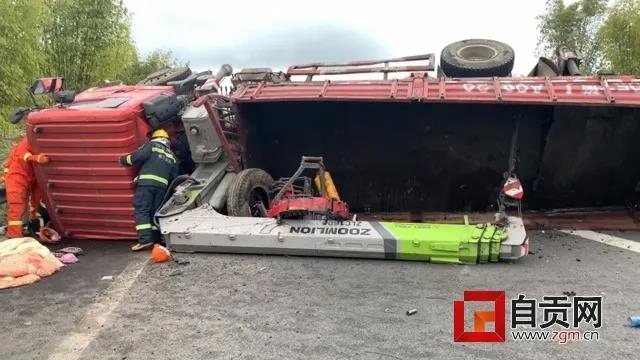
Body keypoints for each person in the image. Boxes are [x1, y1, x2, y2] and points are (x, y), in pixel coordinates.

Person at [119, 129, 178, 251]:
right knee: (154, 213)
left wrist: (123, 160)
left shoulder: (152, 145)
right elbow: (174, 175)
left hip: (147, 184)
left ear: (154, 138)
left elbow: (137, 157)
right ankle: (156, 239)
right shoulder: (172, 155)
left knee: (142, 210)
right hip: (162, 188)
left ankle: (145, 240)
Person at [2, 138, 48, 238]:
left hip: (32, 177)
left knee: (36, 204)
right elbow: (22, 154)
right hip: (17, 178)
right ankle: (14, 235)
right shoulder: (26, 142)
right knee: (16, 206)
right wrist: (36, 158)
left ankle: (32, 227)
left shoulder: (42, 142)